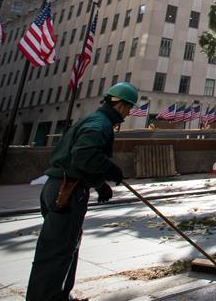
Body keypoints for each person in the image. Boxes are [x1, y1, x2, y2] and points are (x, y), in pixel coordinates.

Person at [26, 82, 138, 301]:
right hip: (67, 192)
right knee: (57, 250)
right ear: (120, 105)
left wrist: (98, 184)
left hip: (60, 185)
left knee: (66, 246)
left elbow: (78, 160)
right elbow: (84, 154)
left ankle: (60, 295)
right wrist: (110, 169)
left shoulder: (92, 119)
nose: (128, 113)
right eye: (128, 107)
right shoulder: (100, 124)